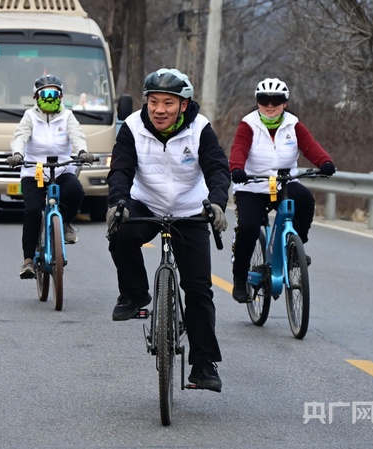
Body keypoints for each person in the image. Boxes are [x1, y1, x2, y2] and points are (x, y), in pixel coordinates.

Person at [106, 68, 230, 392]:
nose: (160, 110)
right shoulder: (132, 127)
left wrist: (217, 203)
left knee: (199, 289)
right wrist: (117, 202)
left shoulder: (200, 130)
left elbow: (218, 169)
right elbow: (120, 169)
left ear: (184, 105)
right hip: (146, 204)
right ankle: (135, 295)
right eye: (154, 102)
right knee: (120, 232)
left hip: (189, 210)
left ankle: (203, 365)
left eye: (169, 103)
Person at [229, 77, 336, 303]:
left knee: (305, 199)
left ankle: (295, 249)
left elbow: (310, 147)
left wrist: (325, 162)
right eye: (264, 100)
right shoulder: (248, 124)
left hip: (283, 184)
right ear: (257, 102)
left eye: (276, 100)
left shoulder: (293, 124)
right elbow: (239, 149)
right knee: (248, 228)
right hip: (251, 185)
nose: (270, 105)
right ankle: (240, 279)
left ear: (285, 102)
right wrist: (237, 168)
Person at [7, 74, 94, 279]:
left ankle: (65, 224)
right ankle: (28, 260)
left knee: (75, 191)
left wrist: (82, 151)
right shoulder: (30, 116)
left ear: (61, 96)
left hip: (62, 168)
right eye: (44, 94)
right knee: (33, 211)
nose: (49, 97)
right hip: (34, 170)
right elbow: (20, 136)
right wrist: (17, 154)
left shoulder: (67, 116)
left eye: (53, 93)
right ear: (36, 97)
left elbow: (76, 135)